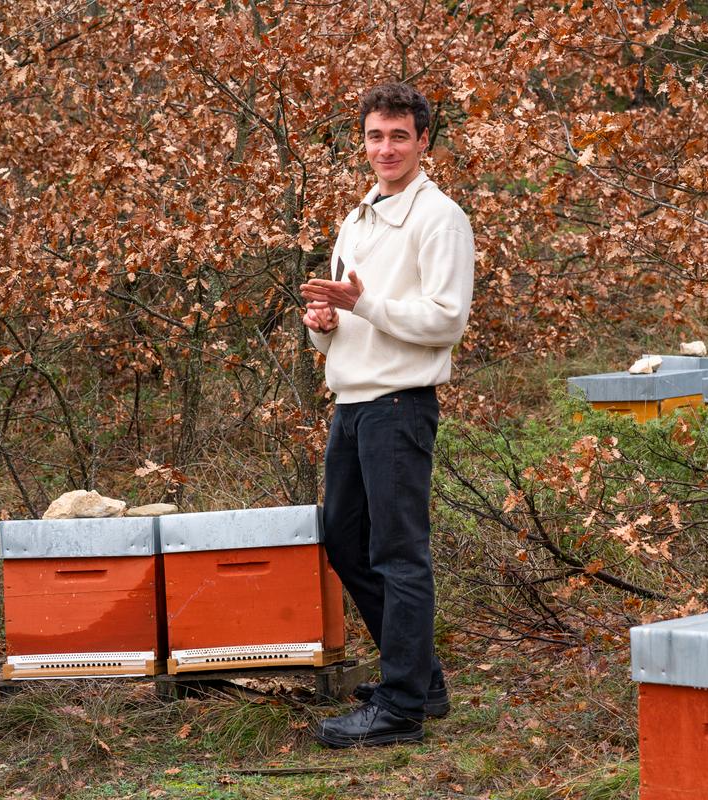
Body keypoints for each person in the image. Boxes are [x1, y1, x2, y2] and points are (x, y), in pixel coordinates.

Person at [300, 82, 475, 748]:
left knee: (400, 554)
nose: (386, 148)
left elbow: (445, 320)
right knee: (345, 543)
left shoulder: (440, 218)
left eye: (400, 135)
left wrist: (362, 305)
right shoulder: (357, 217)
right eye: (376, 135)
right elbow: (341, 322)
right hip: (351, 402)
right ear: (363, 141)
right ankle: (420, 679)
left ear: (424, 141)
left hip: (400, 404)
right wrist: (323, 322)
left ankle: (400, 707)